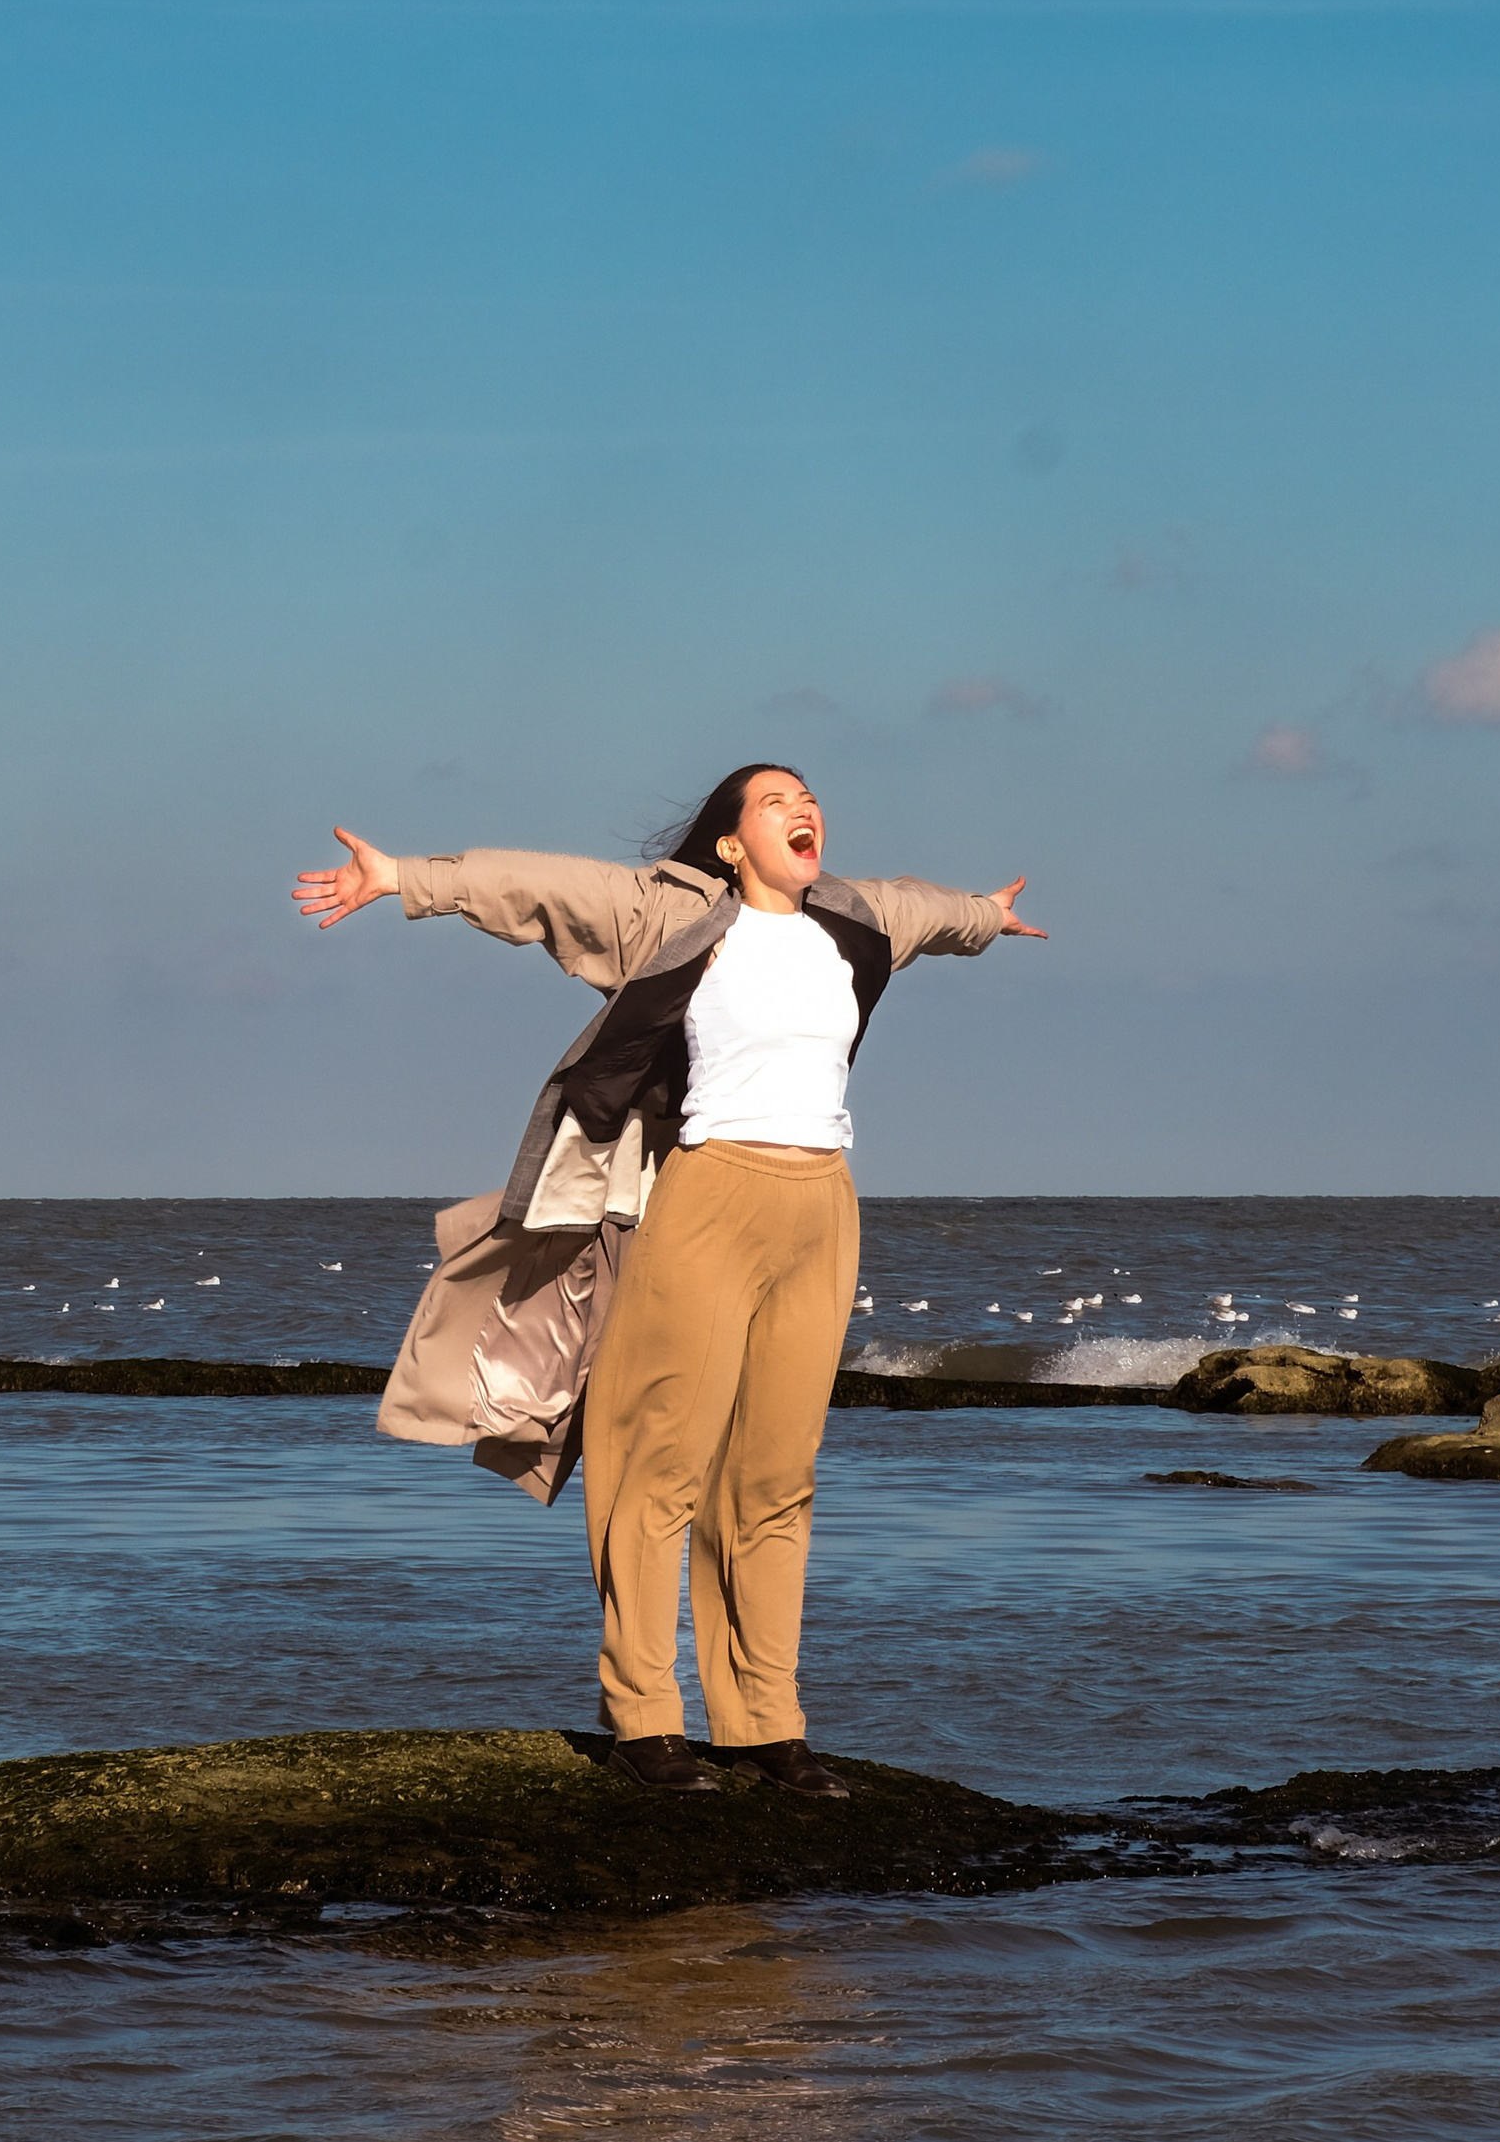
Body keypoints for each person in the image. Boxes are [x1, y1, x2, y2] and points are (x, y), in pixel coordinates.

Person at [293, 765, 1044, 1799]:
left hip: (823, 1205)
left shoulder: (851, 920)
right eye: (776, 802)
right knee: (657, 1462)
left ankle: (762, 1724)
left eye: (810, 799)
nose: (802, 811)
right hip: (705, 1194)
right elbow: (540, 889)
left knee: (777, 1476)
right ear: (731, 843)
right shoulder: (669, 914)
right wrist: (406, 878)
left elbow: (928, 908)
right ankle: (646, 1716)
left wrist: (985, 919)